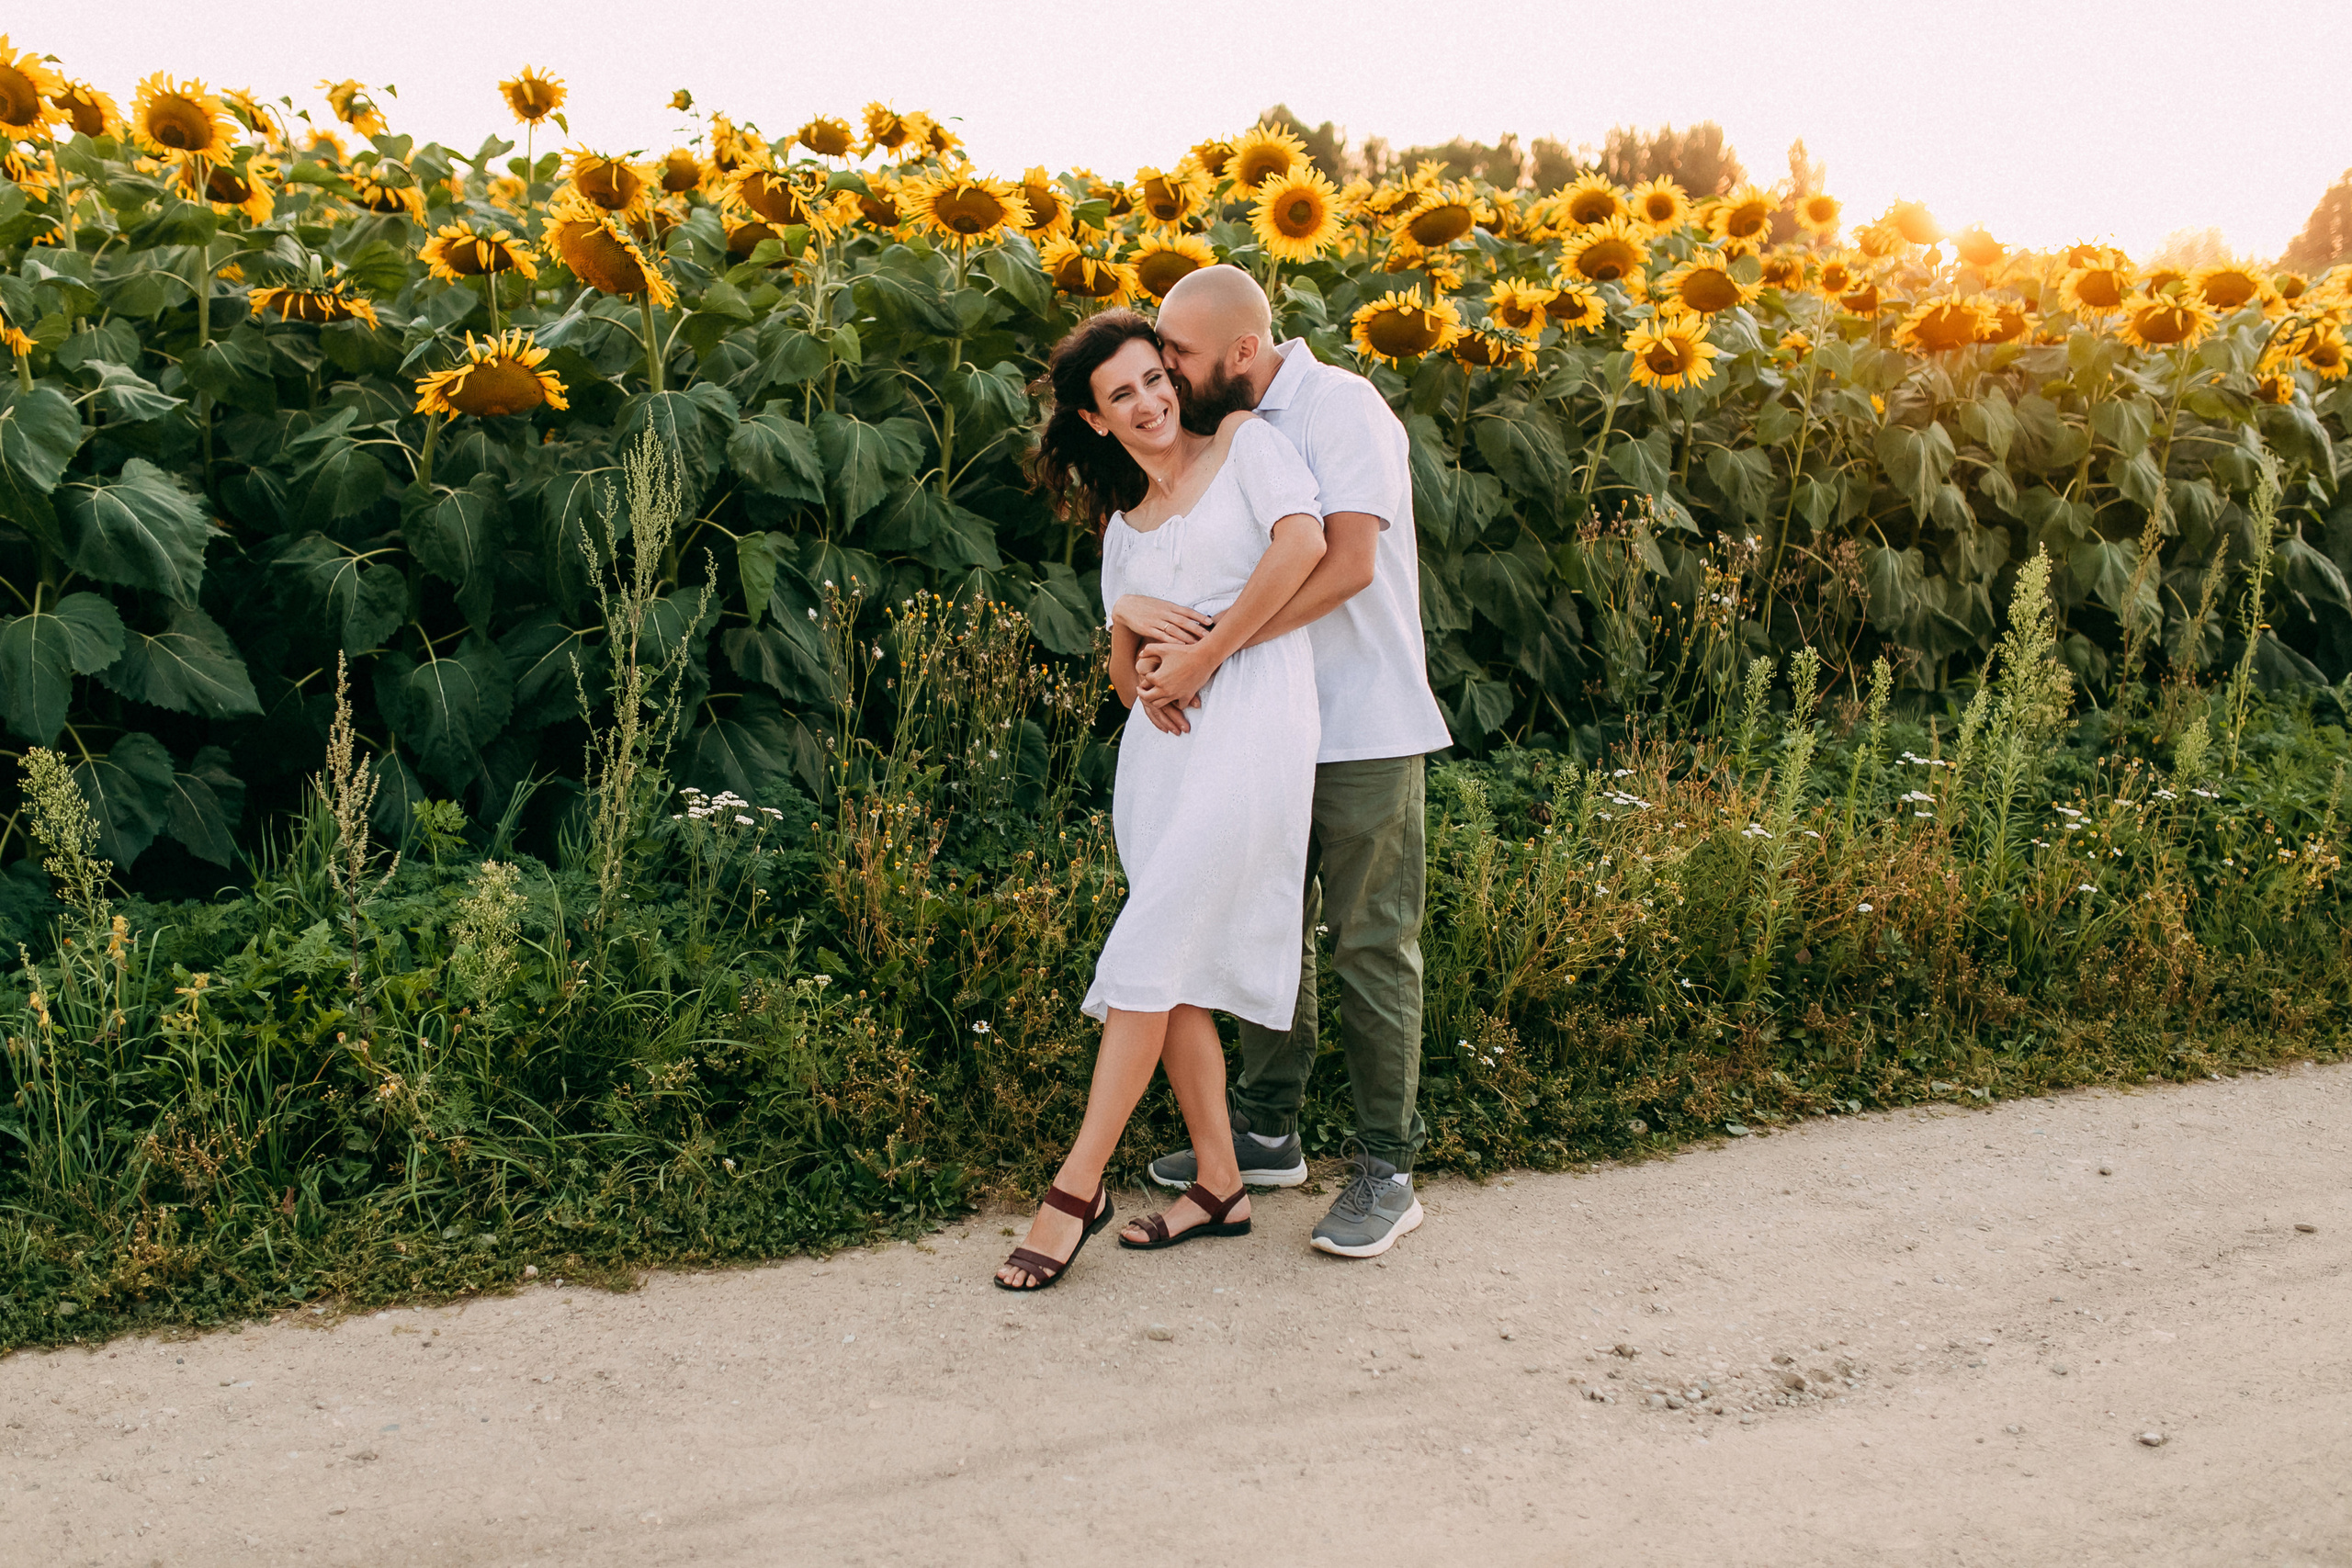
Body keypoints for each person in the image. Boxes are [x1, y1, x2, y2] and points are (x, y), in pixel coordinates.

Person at [994, 307, 1329, 1291]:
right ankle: (1220, 1184)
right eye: (1120, 395)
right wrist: (1127, 622)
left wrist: (1202, 656)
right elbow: (1127, 681)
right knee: (1170, 963)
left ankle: (1074, 1189)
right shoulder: (1122, 529)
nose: (1146, 403)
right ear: (1094, 422)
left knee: (1146, 954)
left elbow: (1303, 546)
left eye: (1154, 379)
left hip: (1253, 731)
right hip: (1161, 763)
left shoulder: (1248, 447)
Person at [1129, 265, 1453, 1259]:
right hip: (1266, 725)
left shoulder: (1340, 407)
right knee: (1266, 921)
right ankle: (1267, 1131)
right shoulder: (1228, 436)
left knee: (1369, 942)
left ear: (1238, 350)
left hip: (1360, 722)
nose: (1166, 376)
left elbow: (1348, 563)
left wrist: (1211, 646)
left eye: (1179, 356)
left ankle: (1387, 1171)